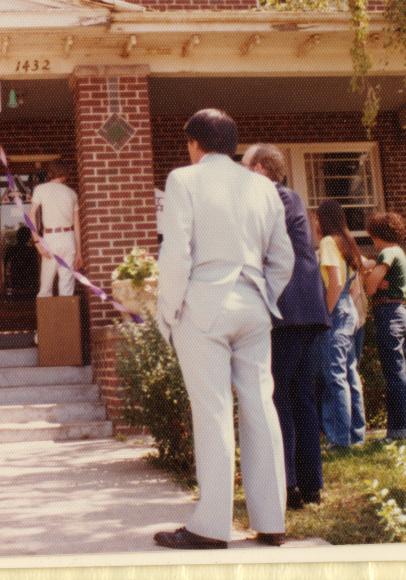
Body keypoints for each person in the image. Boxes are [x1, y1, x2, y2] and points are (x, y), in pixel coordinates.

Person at [153, 110, 294, 550]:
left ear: (194, 144)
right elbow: (283, 256)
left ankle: (211, 526)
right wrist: (263, 294)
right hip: (253, 303)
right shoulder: (262, 185)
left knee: (213, 412)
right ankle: (271, 522)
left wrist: (169, 310)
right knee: (260, 406)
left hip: (203, 304)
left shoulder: (184, 180)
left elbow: (176, 252)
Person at [241, 143, 330, 510]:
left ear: (260, 167)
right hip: (305, 307)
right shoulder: (289, 197)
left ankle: (288, 482)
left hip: (288, 307)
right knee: (299, 394)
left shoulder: (273, 196)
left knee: (276, 394)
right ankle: (310, 485)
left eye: (245, 165)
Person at [315, 200, 368, 450]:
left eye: (316, 218)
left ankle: (338, 439)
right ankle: (357, 434)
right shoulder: (348, 243)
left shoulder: (327, 242)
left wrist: (325, 314)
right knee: (350, 372)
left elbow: (334, 283)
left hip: (336, 309)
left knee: (334, 374)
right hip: (350, 308)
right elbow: (355, 287)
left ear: (323, 220)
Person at [364, 212, 406, 442]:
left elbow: (369, 288)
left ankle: (400, 432)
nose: (372, 241)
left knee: (395, 375)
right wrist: (377, 279)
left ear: (378, 235)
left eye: (372, 237)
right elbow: (378, 281)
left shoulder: (386, 252)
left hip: (389, 314)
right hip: (401, 312)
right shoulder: (399, 252)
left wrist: (373, 278)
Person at [28, 159, 83, 297]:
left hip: (50, 239)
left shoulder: (40, 189)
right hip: (68, 239)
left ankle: (47, 319)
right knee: (66, 289)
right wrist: (79, 252)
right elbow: (77, 225)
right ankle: (65, 319)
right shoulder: (72, 193)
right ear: (65, 173)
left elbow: (31, 215)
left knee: (45, 288)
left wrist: (36, 242)